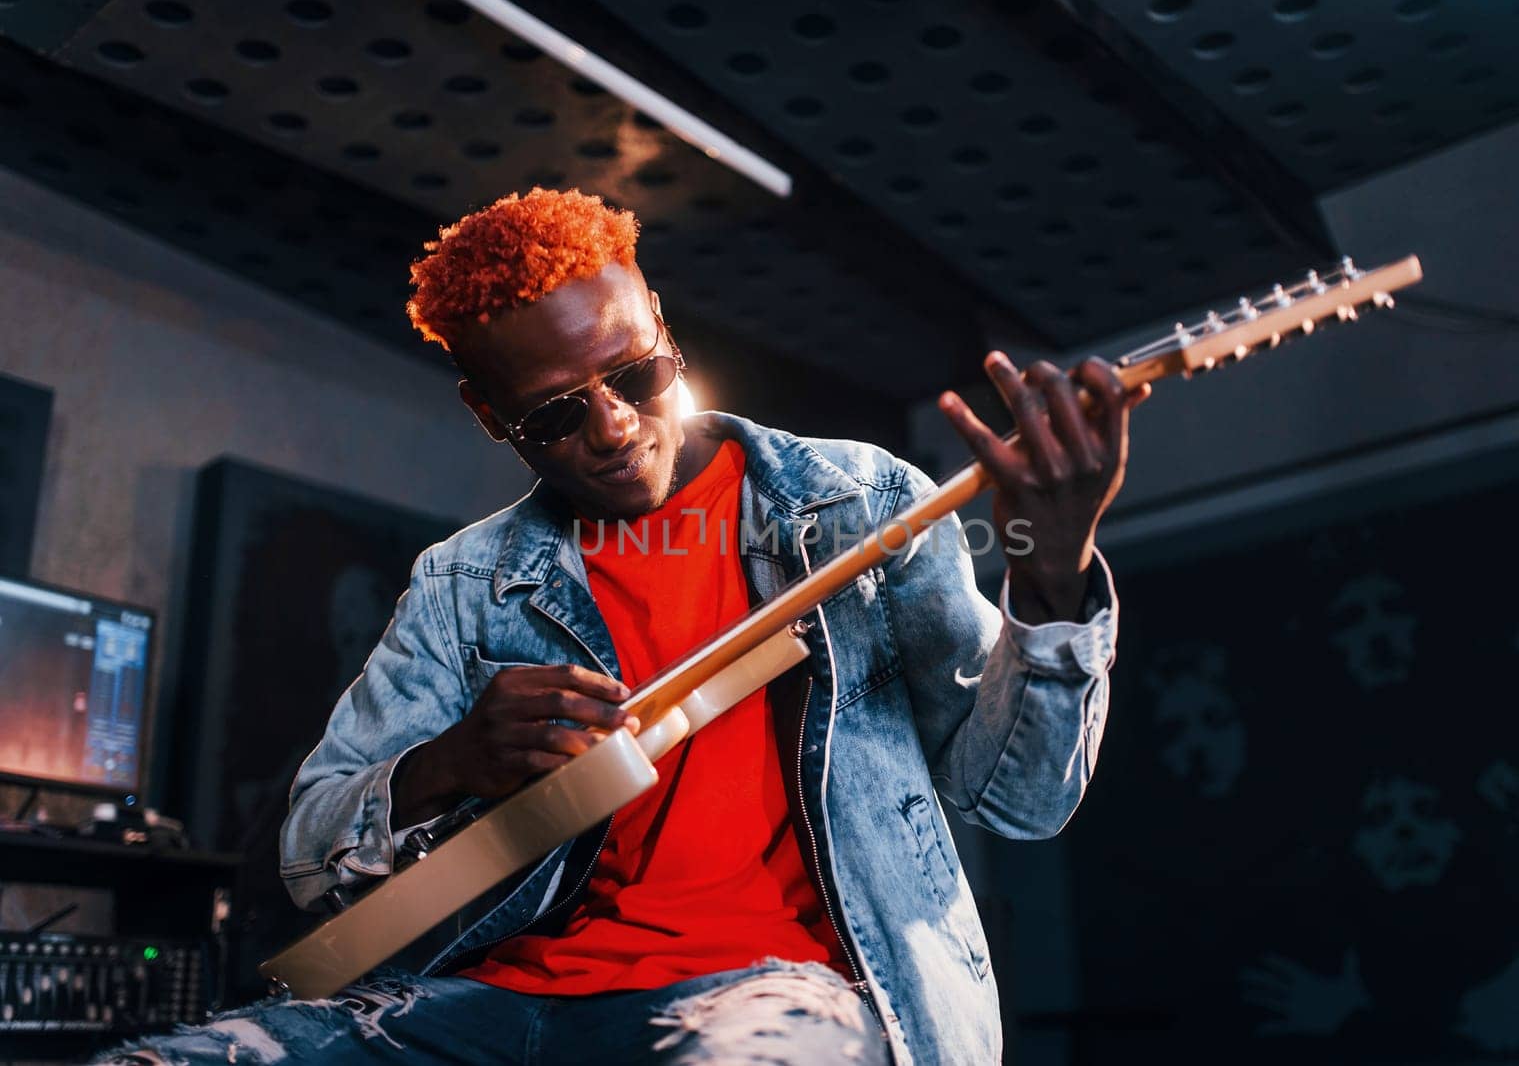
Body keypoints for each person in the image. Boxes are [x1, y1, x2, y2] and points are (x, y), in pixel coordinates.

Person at [103, 187, 1146, 1065]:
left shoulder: (858, 504)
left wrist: (1051, 576)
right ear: (486, 412)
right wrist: (449, 763)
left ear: (660, 321)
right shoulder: (466, 582)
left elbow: (1018, 800)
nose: (613, 428)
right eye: (554, 414)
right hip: (500, 1001)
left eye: (636, 374)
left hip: (773, 1004)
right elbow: (307, 851)